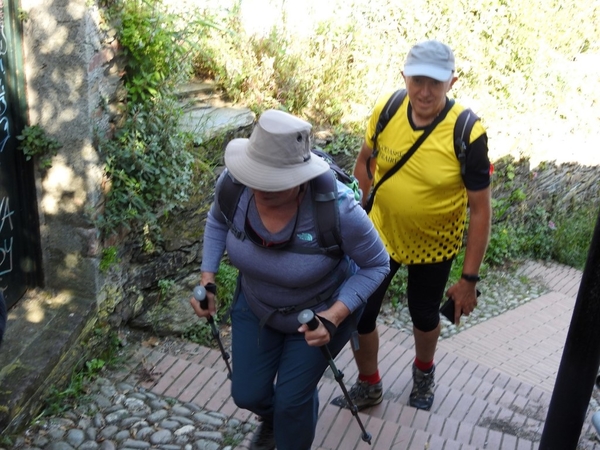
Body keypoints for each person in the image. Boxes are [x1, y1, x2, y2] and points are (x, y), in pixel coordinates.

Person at [190, 109, 390, 450]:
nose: (262, 187)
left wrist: (334, 316)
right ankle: (276, 419)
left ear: (301, 179)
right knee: (246, 393)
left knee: (292, 400)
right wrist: (207, 278)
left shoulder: (337, 209)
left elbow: (377, 264)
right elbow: (217, 221)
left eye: (274, 180)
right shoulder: (234, 188)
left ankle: (289, 427)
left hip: (318, 317)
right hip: (256, 305)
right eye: (258, 175)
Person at [332, 40, 492, 412]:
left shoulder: (468, 132)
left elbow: (481, 210)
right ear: (404, 75)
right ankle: (369, 384)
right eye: (417, 80)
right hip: (379, 237)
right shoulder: (386, 110)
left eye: (435, 83)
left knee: (423, 313)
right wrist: (356, 215)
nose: (424, 91)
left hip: (435, 245)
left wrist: (469, 280)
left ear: (452, 82)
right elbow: (364, 164)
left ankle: (424, 374)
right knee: (359, 313)